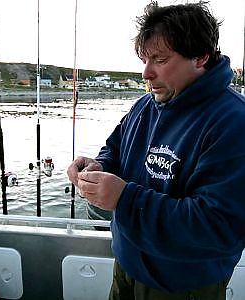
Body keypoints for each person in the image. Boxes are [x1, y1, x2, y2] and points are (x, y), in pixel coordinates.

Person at [67, 2, 245, 300]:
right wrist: (97, 167)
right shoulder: (144, 105)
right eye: (145, 59)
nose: (146, 73)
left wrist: (125, 198)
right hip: (126, 266)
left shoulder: (234, 123)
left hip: (182, 285)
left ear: (200, 56)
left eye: (159, 60)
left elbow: (219, 227)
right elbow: (115, 150)